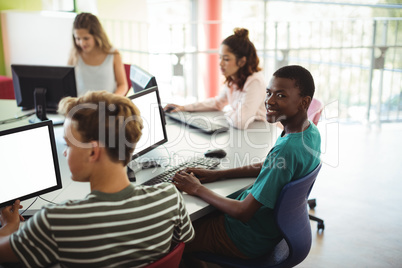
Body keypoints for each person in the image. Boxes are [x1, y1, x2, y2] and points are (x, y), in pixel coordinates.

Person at [0, 91, 195, 267]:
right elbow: (185, 240)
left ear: (93, 151)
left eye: (69, 144)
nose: (65, 153)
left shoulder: (56, 221)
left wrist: (9, 226)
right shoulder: (170, 198)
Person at [172, 65, 321, 263]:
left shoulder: (287, 149)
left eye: (281, 95)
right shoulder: (308, 133)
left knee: (172, 238)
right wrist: (219, 174)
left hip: (244, 237)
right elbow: (270, 165)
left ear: (304, 102)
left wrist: (196, 188)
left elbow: (243, 212)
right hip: (267, 230)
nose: (269, 101)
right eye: (268, 93)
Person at [164, 28, 266, 130]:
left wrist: (228, 113)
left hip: (261, 133)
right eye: (220, 57)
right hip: (246, 132)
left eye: (226, 59)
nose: (220, 63)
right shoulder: (234, 78)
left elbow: (240, 122)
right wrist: (184, 108)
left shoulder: (255, 82)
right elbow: (218, 103)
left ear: (242, 61)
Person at [68, 12, 128, 96]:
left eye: (86, 38)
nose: (82, 43)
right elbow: (67, 84)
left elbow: (123, 85)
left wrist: (113, 100)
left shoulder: (113, 54)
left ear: (97, 36)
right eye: (78, 38)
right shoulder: (75, 54)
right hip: (82, 107)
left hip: (107, 106)